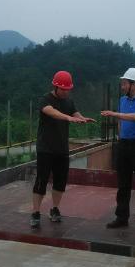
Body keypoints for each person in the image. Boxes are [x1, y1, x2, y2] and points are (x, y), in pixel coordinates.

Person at [30, 70, 95, 228]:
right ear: (56, 86)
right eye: (63, 89)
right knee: (41, 181)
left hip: (61, 149)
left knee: (60, 181)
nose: (66, 92)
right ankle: (36, 212)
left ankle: (55, 209)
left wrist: (81, 118)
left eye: (68, 89)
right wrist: (68, 118)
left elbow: (74, 112)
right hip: (45, 148)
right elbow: (51, 112)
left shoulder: (68, 101)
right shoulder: (45, 99)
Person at [102, 67, 135, 232]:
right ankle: (121, 217)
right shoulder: (123, 101)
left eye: (125, 83)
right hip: (124, 145)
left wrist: (114, 114)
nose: (122, 86)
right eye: (122, 83)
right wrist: (120, 137)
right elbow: (121, 123)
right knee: (123, 184)